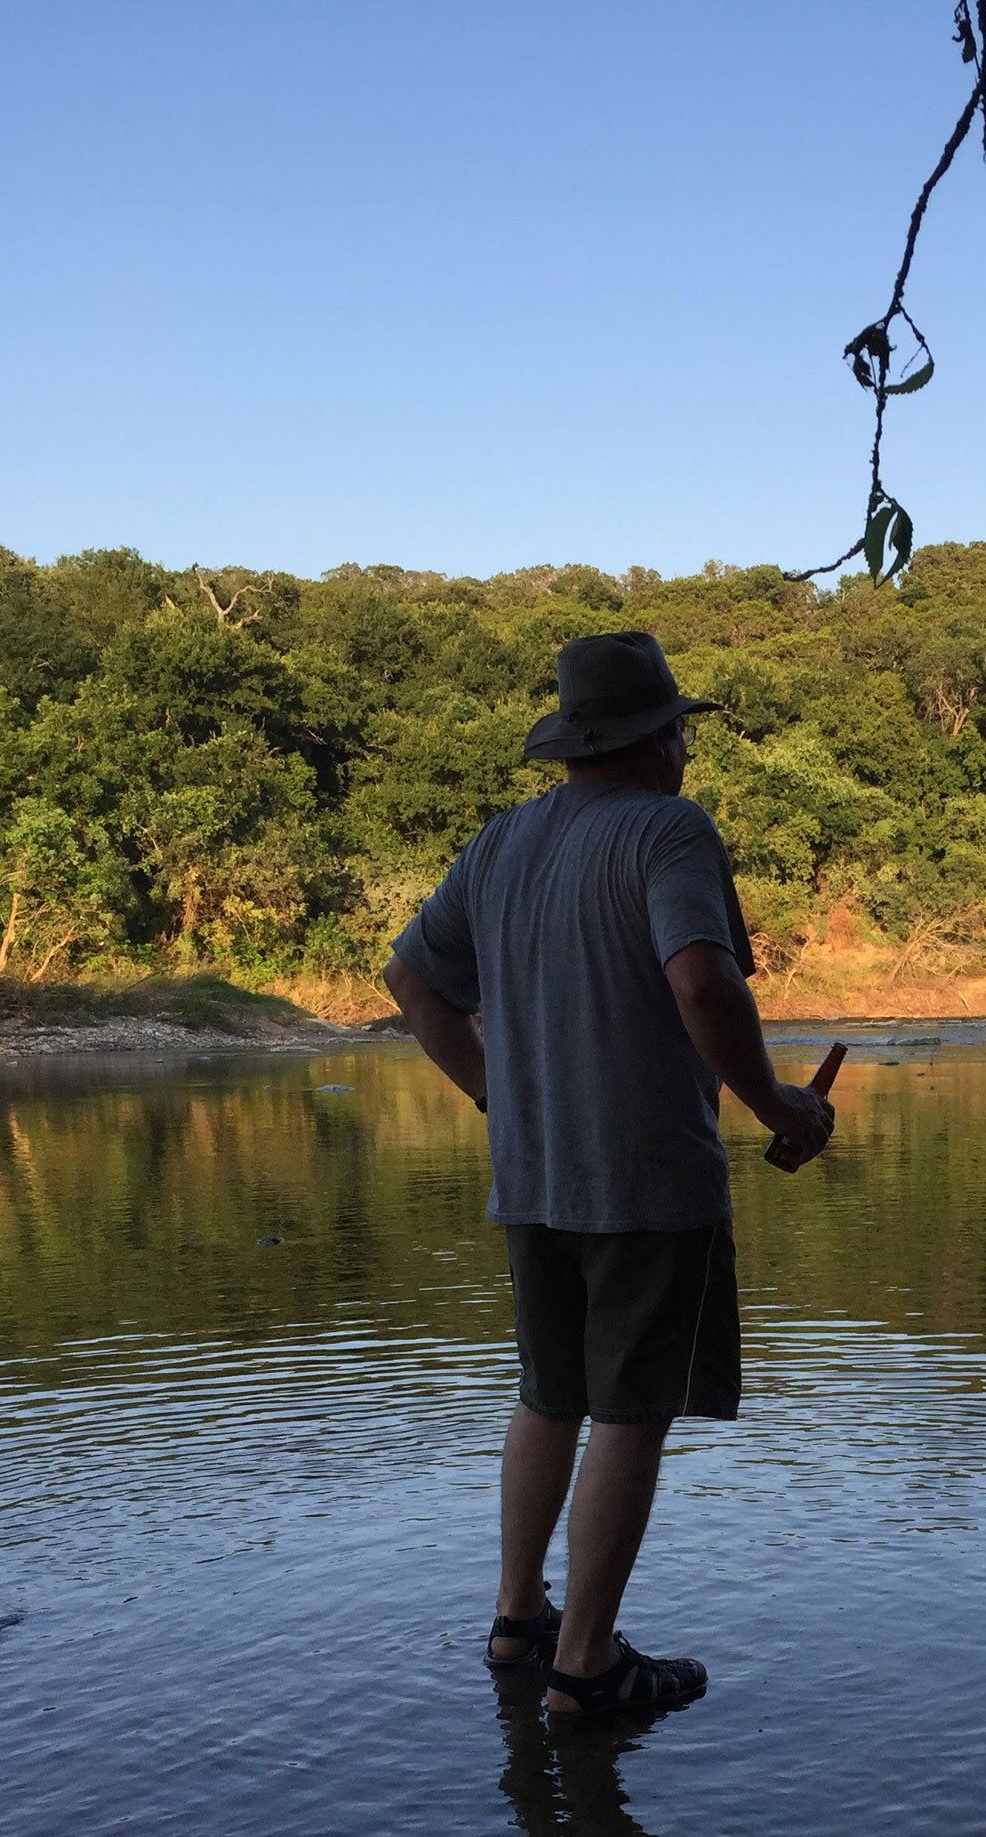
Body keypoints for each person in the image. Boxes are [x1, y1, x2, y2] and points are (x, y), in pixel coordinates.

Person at [384, 631, 835, 1719]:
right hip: (646, 1179)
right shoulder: (669, 830)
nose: (685, 751)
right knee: (632, 1413)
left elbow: (411, 980)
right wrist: (780, 1107)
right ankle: (585, 1668)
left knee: (550, 1397)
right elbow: (702, 983)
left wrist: (498, 1097)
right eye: (680, 731)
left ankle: (518, 1619)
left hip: (532, 1176)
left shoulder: (502, 841)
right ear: (660, 738)